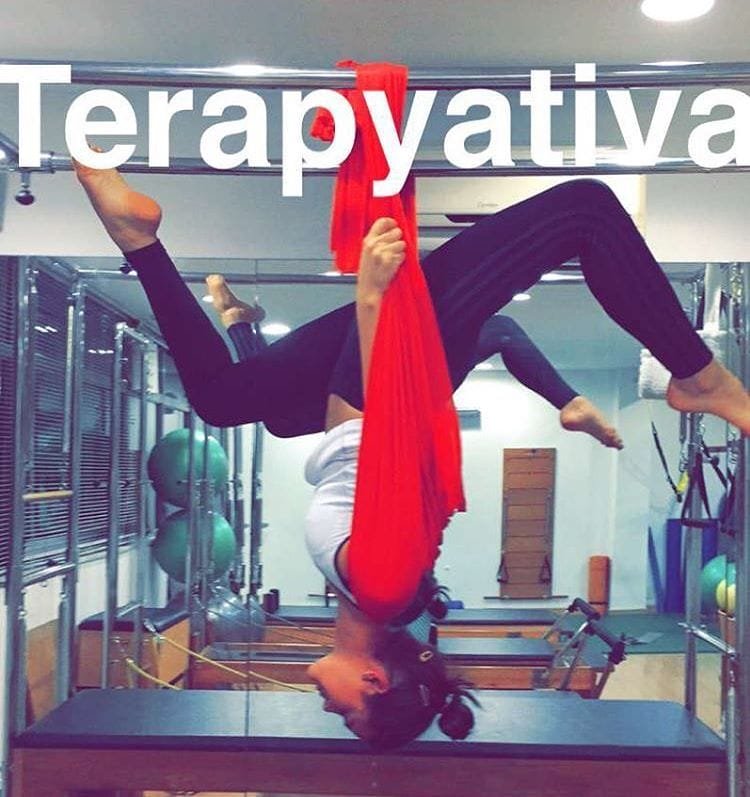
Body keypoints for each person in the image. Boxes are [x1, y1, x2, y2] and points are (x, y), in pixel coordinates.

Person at [74, 160, 750, 747]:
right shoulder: (383, 584)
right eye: (348, 714)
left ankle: (141, 239)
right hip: (387, 375)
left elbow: (371, 453)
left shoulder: (370, 595)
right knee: (585, 211)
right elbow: (379, 439)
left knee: (240, 404)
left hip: (384, 382)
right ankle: (697, 374)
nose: (331, 710)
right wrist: (375, 306)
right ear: (374, 680)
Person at [205, 275, 624, 449]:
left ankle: (238, 320)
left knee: (277, 417)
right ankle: (237, 320)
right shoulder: (431, 344)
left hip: (390, 384)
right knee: (277, 417)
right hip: (398, 385)